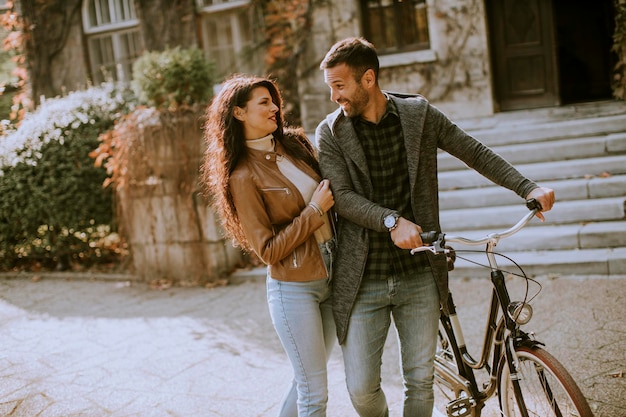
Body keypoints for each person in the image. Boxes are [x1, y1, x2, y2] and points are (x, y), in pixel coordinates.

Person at [315, 37, 555, 417]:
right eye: (330, 87)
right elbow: (342, 197)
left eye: (339, 85)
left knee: (419, 382)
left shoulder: (418, 115)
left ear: (368, 79)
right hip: (363, 277)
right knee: (361, 389)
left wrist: (527, 187)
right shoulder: (331, 132)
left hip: (419, 272)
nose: (333, 97)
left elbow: (472, 150)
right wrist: (390, 220)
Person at [201, 74, 337, 417]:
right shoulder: (243, 176)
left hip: (334, 275)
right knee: (314, 392)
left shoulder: (296, 145)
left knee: (305, 381)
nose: (275, 107)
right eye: (263, 102)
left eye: (274, 100)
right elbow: (268, 250)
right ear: (238, 113)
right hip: (295, 289)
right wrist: (315, 211)